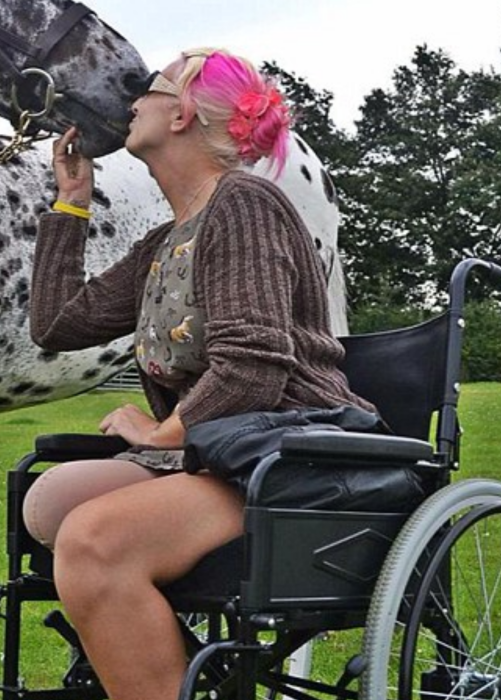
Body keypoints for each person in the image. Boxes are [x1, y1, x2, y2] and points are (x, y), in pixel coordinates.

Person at [23, 47, 375, 700]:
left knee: (93, 539)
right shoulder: (164, 242)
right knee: (49, 498)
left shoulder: (243, 204)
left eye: (148, 88)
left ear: (182, 112)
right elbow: (56, 325)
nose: (133, 99)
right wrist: (70, 204)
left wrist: (161, 432)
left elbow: (253, 366)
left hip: (288, 454)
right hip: (222, 453)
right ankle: (180, 667)